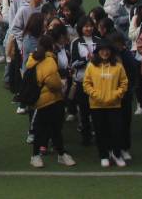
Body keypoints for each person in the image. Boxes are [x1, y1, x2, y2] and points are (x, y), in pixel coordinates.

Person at [27, 34, 76, 168]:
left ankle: (37, 155)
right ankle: (59, 154)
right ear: (51, 46)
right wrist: (61, 84)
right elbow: (53, 83)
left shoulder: (33, 58)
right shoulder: (49, 60)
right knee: (55, 128)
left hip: (39, 99)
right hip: (52, 99)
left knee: (41, 129)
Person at [83, 38, 129, 167]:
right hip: (96, 105)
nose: (105, 52)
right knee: (100, 131)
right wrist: (96, 95)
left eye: (107, 50)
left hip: (114, 104)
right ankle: (103, 155)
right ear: (98, 51)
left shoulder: (118, 66)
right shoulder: (91, 66)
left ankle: (116, 154)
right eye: (102, 50)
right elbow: (86, 84)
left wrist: (116, 95)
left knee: (116, 131)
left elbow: (124, 83)